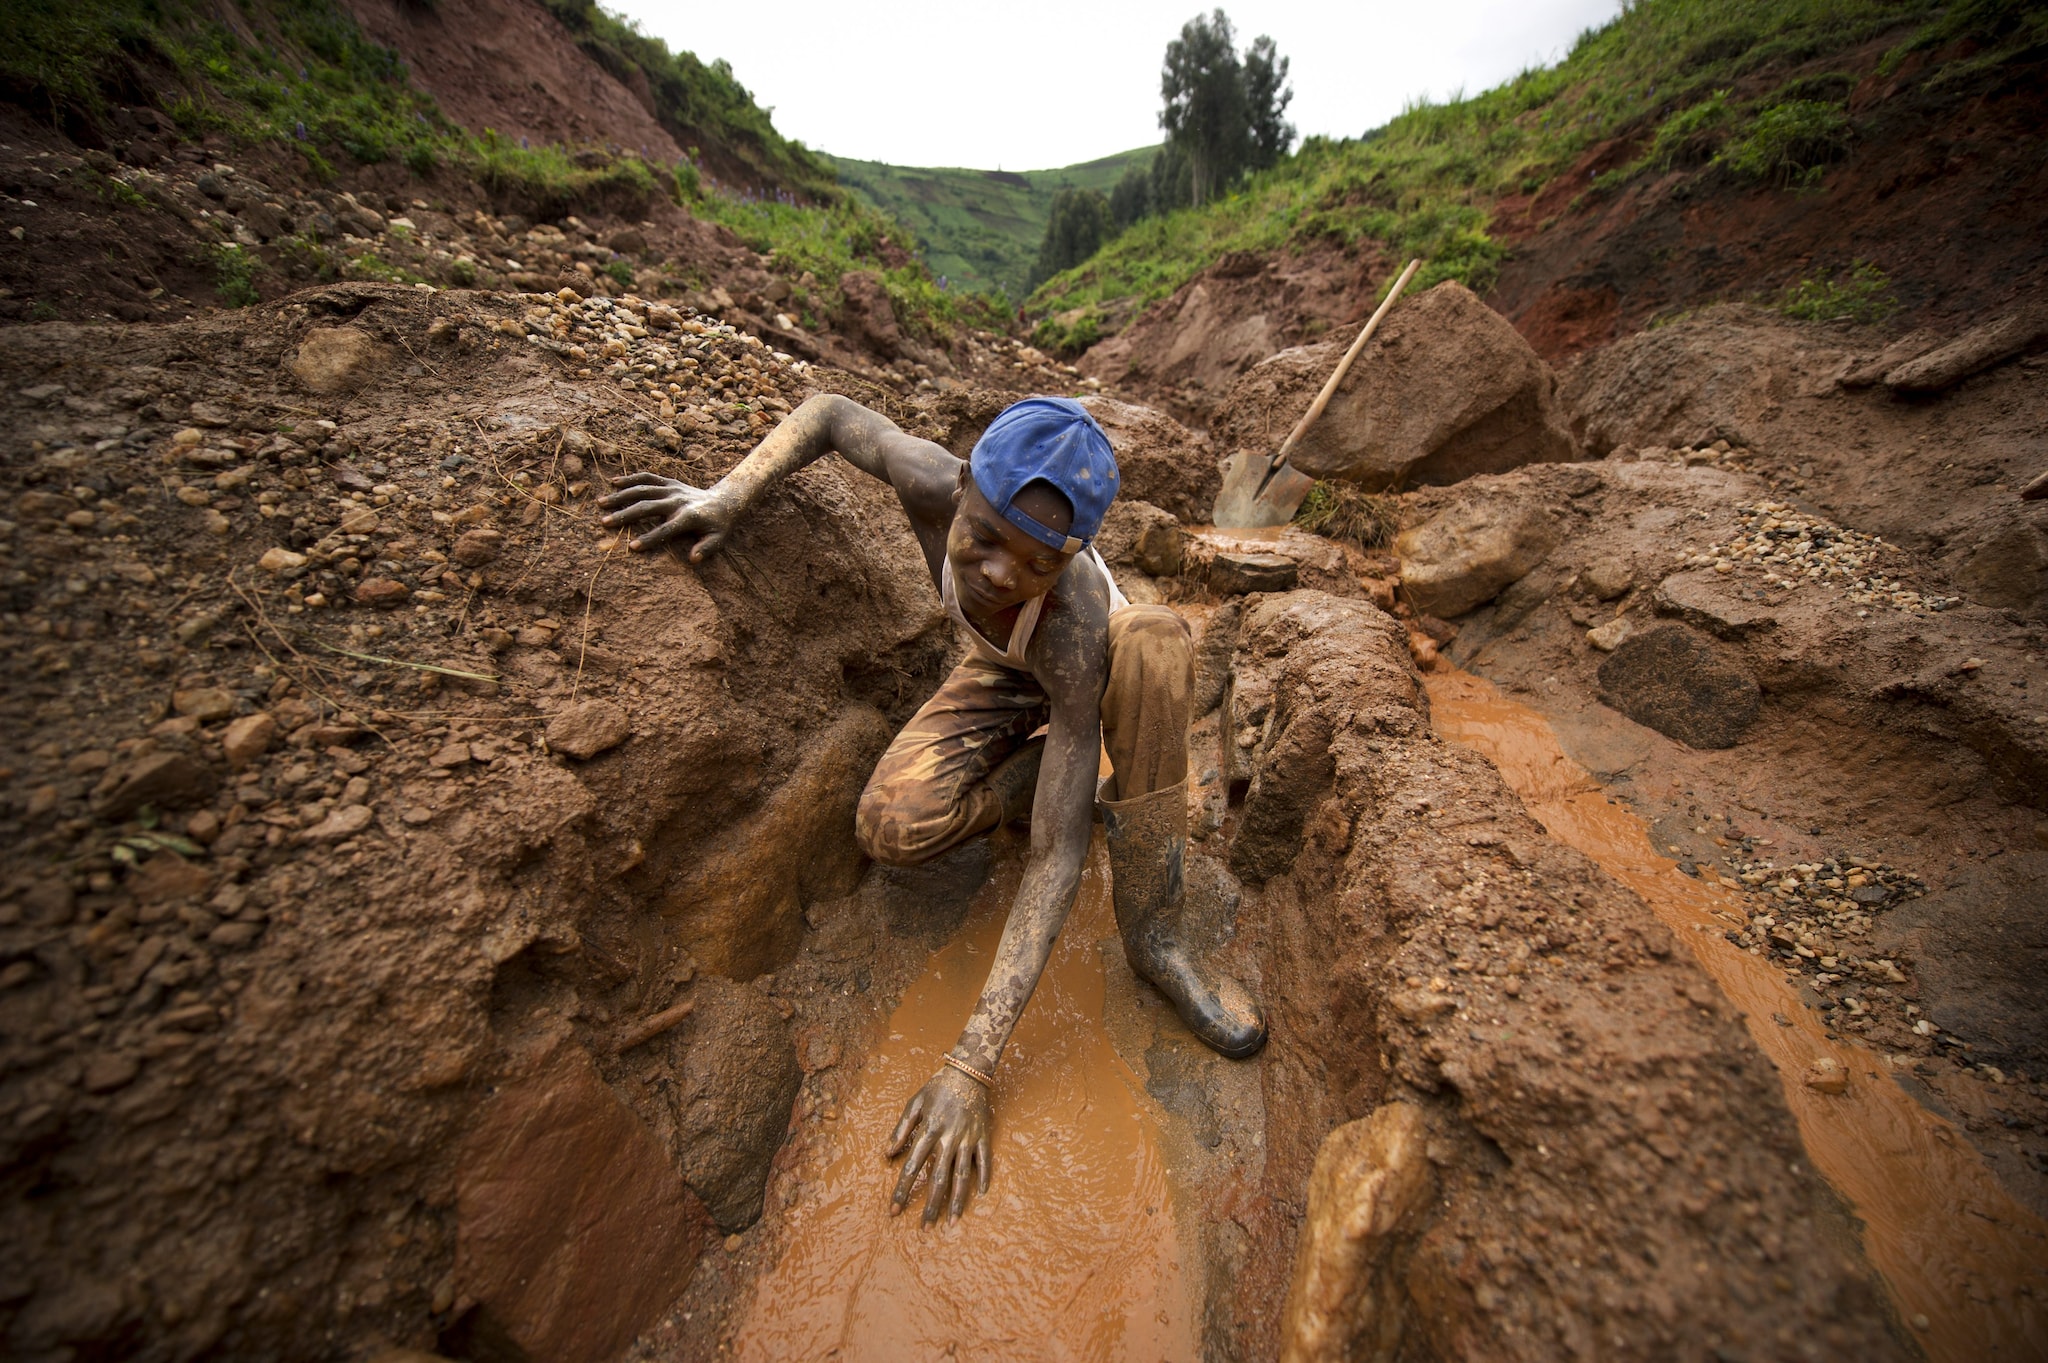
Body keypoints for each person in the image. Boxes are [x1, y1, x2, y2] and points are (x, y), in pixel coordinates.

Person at [600, 393, 1265, 1223]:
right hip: (1003, 672)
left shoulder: (1074, 621)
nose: (1001, 574)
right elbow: (830, 414)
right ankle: (1030, 781)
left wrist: (971, 1064)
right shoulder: (927, 478)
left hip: (1089, 682)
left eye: (1038, 563)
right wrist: (728, 494)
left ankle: (1158, 936)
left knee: (1154, 640)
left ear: (1069, 561)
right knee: (890, 824)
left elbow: (1056, 855)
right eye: (985, 538)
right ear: (961, 490)